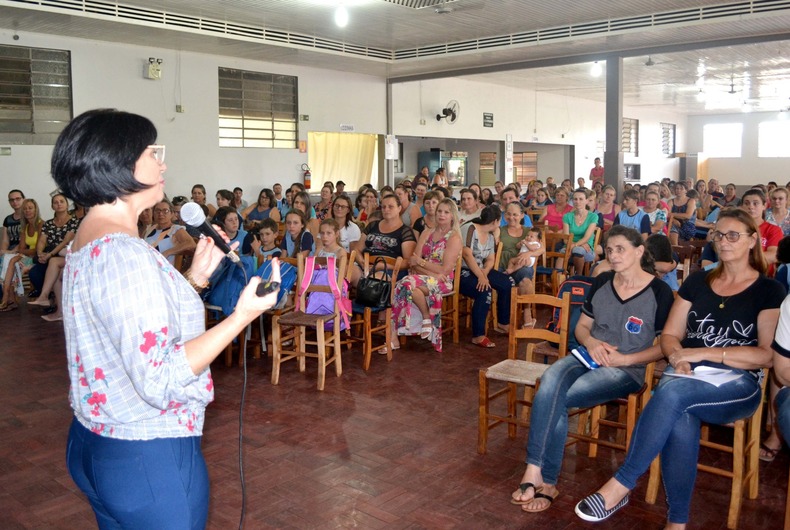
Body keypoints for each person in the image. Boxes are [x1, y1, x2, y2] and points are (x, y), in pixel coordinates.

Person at [56, 109, 280, 528]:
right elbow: (160, 376)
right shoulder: (126, 254)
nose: (162, 163)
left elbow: (128, 327)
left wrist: (194, 278)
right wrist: (242, 315)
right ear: (117, 164)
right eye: (149, 152)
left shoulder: (90, 237)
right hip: (145, 454)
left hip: (97, 441)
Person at [575, 208, 784, 527]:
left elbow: (766, 355)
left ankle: (622, 484)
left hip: (738, 385)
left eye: (733, 235)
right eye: (718, 234)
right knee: (680, 413)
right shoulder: (698, 282)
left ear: (752, 240)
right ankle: (677, 522)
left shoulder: (768, 290)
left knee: (672, 396)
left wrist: (699, 354)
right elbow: (671, 335)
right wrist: (676, 357)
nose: (724, 241)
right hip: (686, 374)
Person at [512, 225, 672, 514]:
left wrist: (626, 359)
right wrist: (593, 342)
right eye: (609, 249)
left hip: (626, 369)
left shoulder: (660, 291)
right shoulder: (602, 282)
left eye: (620, 248)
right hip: (588, 355)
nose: (613, 254)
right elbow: (582, 327)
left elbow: (665, 346)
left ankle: (546, 480)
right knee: (549, 380)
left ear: (639, 251)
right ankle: (535, 472)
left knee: (559, 397)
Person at [392, 198, 462, 353]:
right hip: (424, 277)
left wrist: (422, 264)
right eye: (439, 211)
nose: (442, 215)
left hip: (444, 281)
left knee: (404, 283)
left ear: (452, 216)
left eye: (446, 212)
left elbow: (444, 270)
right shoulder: (427, 232)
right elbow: (412, 261)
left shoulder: (454, 237)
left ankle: (394, 335)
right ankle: (426, 318)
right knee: (409, 286)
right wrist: (430, 272)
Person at [459, 205, 513, 348]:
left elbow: (490, 259)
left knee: (507, 283)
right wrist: (480, 276)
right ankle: (478, 335)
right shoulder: (470, 228)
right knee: (484, 290)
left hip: (480, 270)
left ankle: (503, 322)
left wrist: (485, 271)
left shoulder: (489, 236)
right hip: (461, 271)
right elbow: (466, 254)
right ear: (495, 221)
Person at [352, 194, 416, 286]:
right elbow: (357, 249)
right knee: (344, 274)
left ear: (399, 208)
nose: (386, 210)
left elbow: (407, 262)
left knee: (373, 282)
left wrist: (382, 266)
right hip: (365, 266)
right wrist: (362, 263)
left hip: (391, 270)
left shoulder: (405, 232)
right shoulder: (372, 225)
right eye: (383, 207)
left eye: (390, 207)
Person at [0, 198, 43, 311]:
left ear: (35, 210)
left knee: (11, 261)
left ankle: (7, 297)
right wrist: (23, 252)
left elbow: (38, 249)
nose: (27, 211)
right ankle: (8, 297)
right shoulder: (25, 226)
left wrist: (23, 252)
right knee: (7, 259)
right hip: (27, 256)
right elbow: (22, 248)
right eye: (25, 209)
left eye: (30, 208)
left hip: (39, 257)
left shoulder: (41, 224)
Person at [143, 199, 195, 265]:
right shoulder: (151, 228)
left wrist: (168, 252)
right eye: (157, 211)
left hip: (164, 269)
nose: (161, 214)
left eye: (165, 211)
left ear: (172, 213)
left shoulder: (175, 229)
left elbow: (191, 244)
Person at [563, 189, 599, 276]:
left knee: (577, 250)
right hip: (569, 245)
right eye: (575, 199)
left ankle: (578, 277)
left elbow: (586, 238)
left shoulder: (593, 216)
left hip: (586, 247)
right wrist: (574, 245)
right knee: (561, 253)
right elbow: (566, 239)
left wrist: (574, 245)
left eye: (581, 199)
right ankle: (560, 280)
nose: (577, 202)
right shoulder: (567, 216)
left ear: (586, 201)